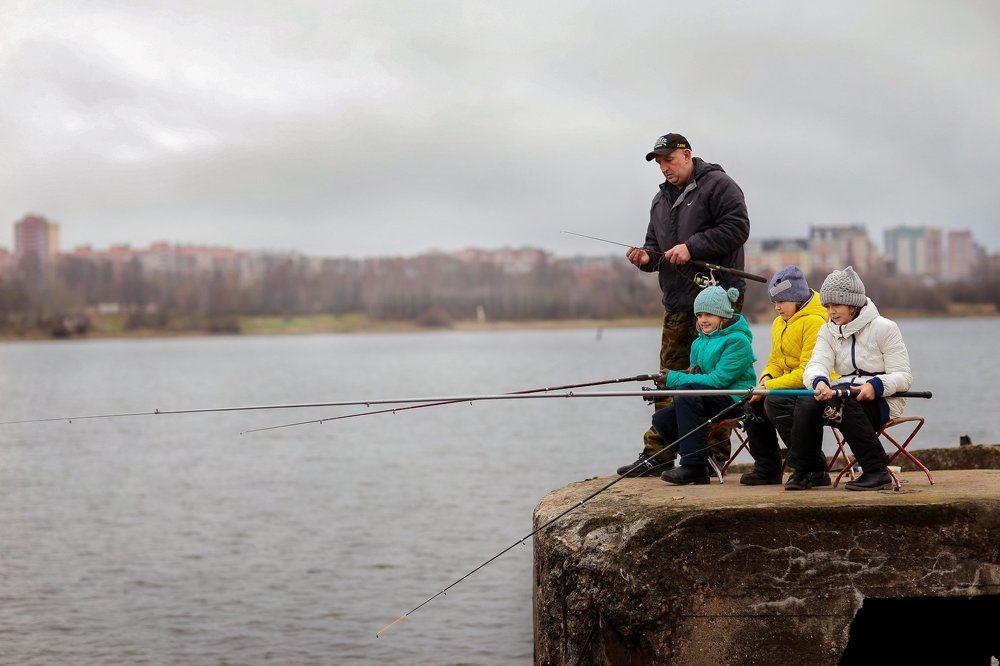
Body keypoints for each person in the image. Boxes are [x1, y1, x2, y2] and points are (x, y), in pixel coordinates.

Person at [618, 132, 751, 477]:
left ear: (687, 155)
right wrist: (645, 258)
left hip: (719, 302)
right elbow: (655, 248)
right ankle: (658, 454)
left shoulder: (719, 185)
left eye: (669, 160)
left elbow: (738, 228)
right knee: (670, 379)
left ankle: (712, 456)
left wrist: (692, 247)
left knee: (716, 381)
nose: (664, 167)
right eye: (659, 163)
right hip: (678, 304)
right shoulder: (659, 200)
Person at [785, 267, 913, 491]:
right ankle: (806, 471)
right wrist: (819, 382)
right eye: (827, 306)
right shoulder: (827, 331)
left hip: (882, 399)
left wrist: (875, 385)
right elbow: (816, 365)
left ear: (853, 305)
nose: (831, 312)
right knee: (806, 401)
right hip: (839, 394)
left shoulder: (885, 328)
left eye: (836, 305)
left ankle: (877, 471)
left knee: (844, 405)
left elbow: (903, 377)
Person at [651, 286, 756, 485]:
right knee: (662, 419)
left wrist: (675, 379)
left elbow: (718, 381)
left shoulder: (738, 341)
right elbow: (697, 377)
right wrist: (676, 379)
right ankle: (704, 461)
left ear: (723, 315)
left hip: (736, 398)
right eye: (699, 315)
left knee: (688, 392)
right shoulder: (698, 343)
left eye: (709, 314)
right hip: (709, 397)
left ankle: (694, 466)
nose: (703, 320)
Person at [740, 265, 830, 486]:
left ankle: (812, 468)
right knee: (751, 404)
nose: (777, 307)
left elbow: (807, 372)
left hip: (817, 385)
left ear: (797, 298)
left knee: (776, 401)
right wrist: (766, 379)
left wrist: (769, 388)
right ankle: (768, 469)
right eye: (774, 302)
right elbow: (775, 361)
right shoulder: (779, 323)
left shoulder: (815, 322)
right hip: (790, 385)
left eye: (781, 301)